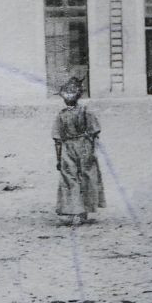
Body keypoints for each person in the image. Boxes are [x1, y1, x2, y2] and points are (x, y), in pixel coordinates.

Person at [52, 77, 104, 225]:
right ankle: (83, 211)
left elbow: (57, 140)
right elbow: (94, 132)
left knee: (70, 178)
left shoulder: (61, 115)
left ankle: (74, 211)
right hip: (84, 146)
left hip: (68, 148)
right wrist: (92, 150)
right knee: (87, 177)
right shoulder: (85, 111)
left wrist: (58, 159)